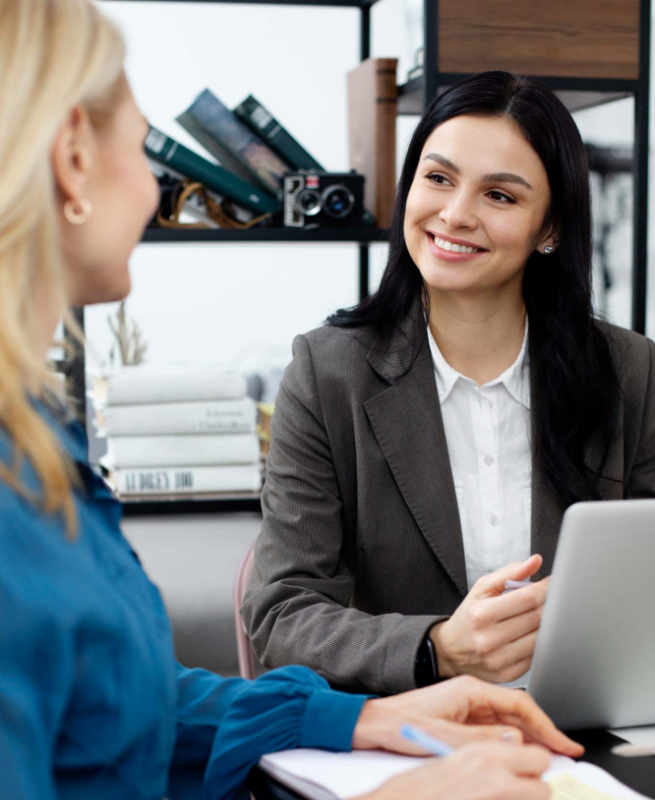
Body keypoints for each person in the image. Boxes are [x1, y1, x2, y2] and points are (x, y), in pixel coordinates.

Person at [0, 2, 584, 799]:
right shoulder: (17, 500)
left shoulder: (39, 445)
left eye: (501, 195)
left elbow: (135, 704)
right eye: (143, 148)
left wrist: (360, 722)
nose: (159, 189)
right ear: (71, 157)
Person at [242, 70, 655, 696]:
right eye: (438, 178)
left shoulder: (632, 372)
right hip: (410, 735)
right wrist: (437, 648)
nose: (455, 215)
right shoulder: (326, 374)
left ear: (550, 230)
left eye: (501, 196)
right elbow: (281, 614)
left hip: (584, 732)